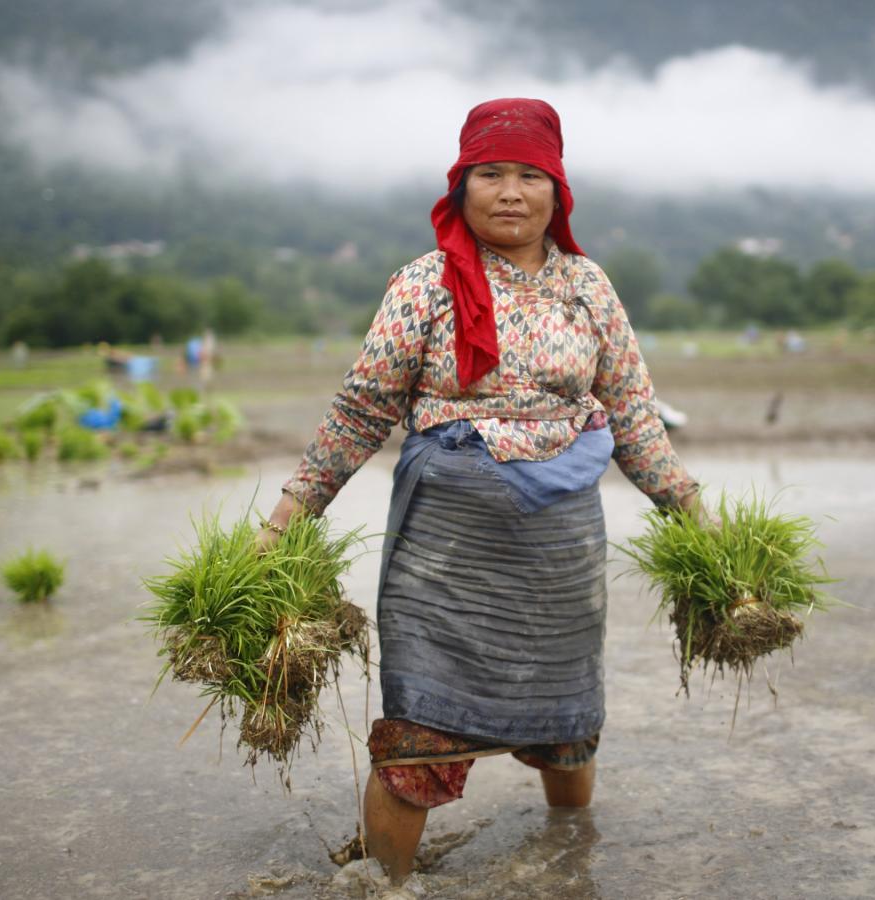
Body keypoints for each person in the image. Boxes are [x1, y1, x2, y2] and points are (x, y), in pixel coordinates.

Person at [255, 98, 700, 886]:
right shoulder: (424, 285)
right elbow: (362, 409)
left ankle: (569, 867)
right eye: (491, 174)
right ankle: (386, 886)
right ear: (461, 186)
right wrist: (290, 512)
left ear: (557, 192)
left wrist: (694, 511)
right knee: (418, 729)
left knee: (566, 725)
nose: (511, 192)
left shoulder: (588, 288)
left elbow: (633, 412)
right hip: (446, 557)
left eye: (531, 175)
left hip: (559, 557)